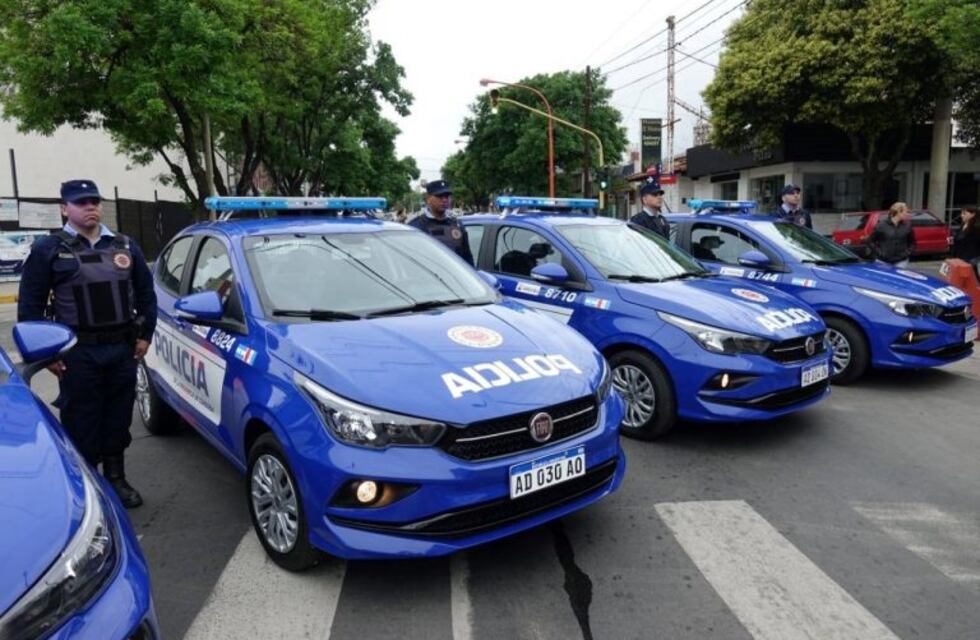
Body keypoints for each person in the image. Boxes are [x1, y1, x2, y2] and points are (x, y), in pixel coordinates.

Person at [18, 180, 157, 508]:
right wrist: (45, 352)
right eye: (81, 202)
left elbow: (146, 294)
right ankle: (87, 484)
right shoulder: (49, 249)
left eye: (94, 201)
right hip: (76, 353)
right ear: (64, 208)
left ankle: (116, 478)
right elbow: (30, 305)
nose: (90, 206)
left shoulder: (125, 245)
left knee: (118, 416)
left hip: (121, 349)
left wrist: (145, 335)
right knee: (82, 418)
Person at [409, 179, 474, 265]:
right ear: (428, 198)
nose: (444, 200)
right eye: (440, 196)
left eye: (447, 196)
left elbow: (468, 260)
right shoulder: (415, 227)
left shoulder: (457, 225)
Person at [869, 201, 915, 268]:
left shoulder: (907, 226)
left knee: (899, 274)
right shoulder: (881, 225)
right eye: (905, 211)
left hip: (901, 260)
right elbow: (870, 241)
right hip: (883, 260)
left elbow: (912, 243)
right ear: (898, 212)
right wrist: (880, 253)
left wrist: (907, 253)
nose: (907, 214)